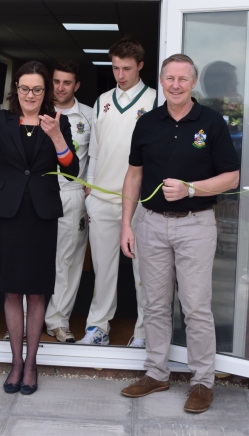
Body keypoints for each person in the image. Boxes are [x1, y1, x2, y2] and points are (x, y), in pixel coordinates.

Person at [119, 53, 240, 414]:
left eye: (182, 79)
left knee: (196, 307)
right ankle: (156, 373)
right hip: (151, 223)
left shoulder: (212, 122)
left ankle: (203, 381)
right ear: (161, 80)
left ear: (193, 82)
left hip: (196, 223)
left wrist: (190, 189)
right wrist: (127, 223)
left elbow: (231, 177)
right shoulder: (148, 123)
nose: (175, 85)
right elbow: (134, 175)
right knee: (154, 305)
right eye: (169, 78)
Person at [0, 61, 79, 395]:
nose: (31, 95)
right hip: (6, 214)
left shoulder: (59, 121)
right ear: (16, 90)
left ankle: (32, 364)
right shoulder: (0, 120)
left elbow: (71, 169)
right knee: (12, 290)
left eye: (38, 89)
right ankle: (16, 362)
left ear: (46, 93)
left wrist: (56, 135)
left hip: (41, 214)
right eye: (25, 88)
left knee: (37, 290)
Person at [78, 37, 157, 347]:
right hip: (101, 198)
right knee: (103, 272)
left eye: (126, 68)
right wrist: (89, 188)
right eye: (115, 68)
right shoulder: (102, 101)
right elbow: (95, 150)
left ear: (140, 65)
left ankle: (143, 332)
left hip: (139, 202)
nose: (120, 75)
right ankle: (97, 328)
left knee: (144, 273)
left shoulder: (154, 100)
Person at [44, 59, 93, 343]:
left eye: (67, 83)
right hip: (38, 192)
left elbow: (97, 155)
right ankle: (26, 320)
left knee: (68, 262)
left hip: (72, 192)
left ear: (76, 85)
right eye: (56, 81)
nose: (60, 88)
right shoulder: (35, 109)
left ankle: (58, 321)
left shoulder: (88, 115)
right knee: (34, 259)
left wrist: (91, 188)